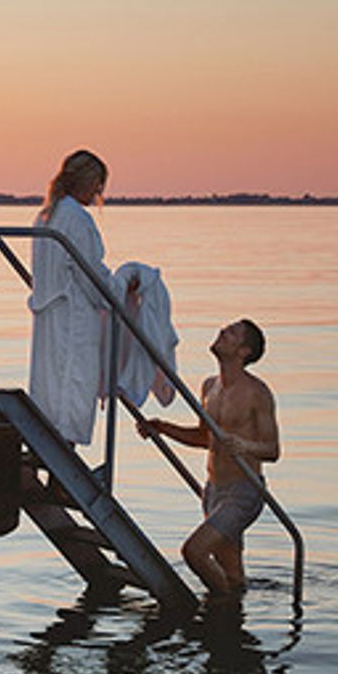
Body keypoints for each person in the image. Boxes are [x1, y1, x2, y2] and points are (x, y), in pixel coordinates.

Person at [136, 318, 280, 596]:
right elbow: (205, 438)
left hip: (243, 492)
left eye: (233, 332)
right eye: (227, 328)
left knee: (195, 552)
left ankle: (217, 614)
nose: (223, 331)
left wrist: (243, 445)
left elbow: (272, 449)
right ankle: (232, 621)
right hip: (213, 491)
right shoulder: (209, 387)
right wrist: (162, 428)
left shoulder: (257, 393)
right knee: (233, 575)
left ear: (244, 352)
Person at [27, 149, 137, 444]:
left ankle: (48, 460)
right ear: (88, 181)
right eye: (98, 184)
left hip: (50, 318)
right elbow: (93, 280)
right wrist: (125, 281)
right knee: (71, 389)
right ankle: (64, 462)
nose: (98, 192)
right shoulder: (77, 219)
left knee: (50, 390)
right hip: (73, 320)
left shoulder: (46, 215)